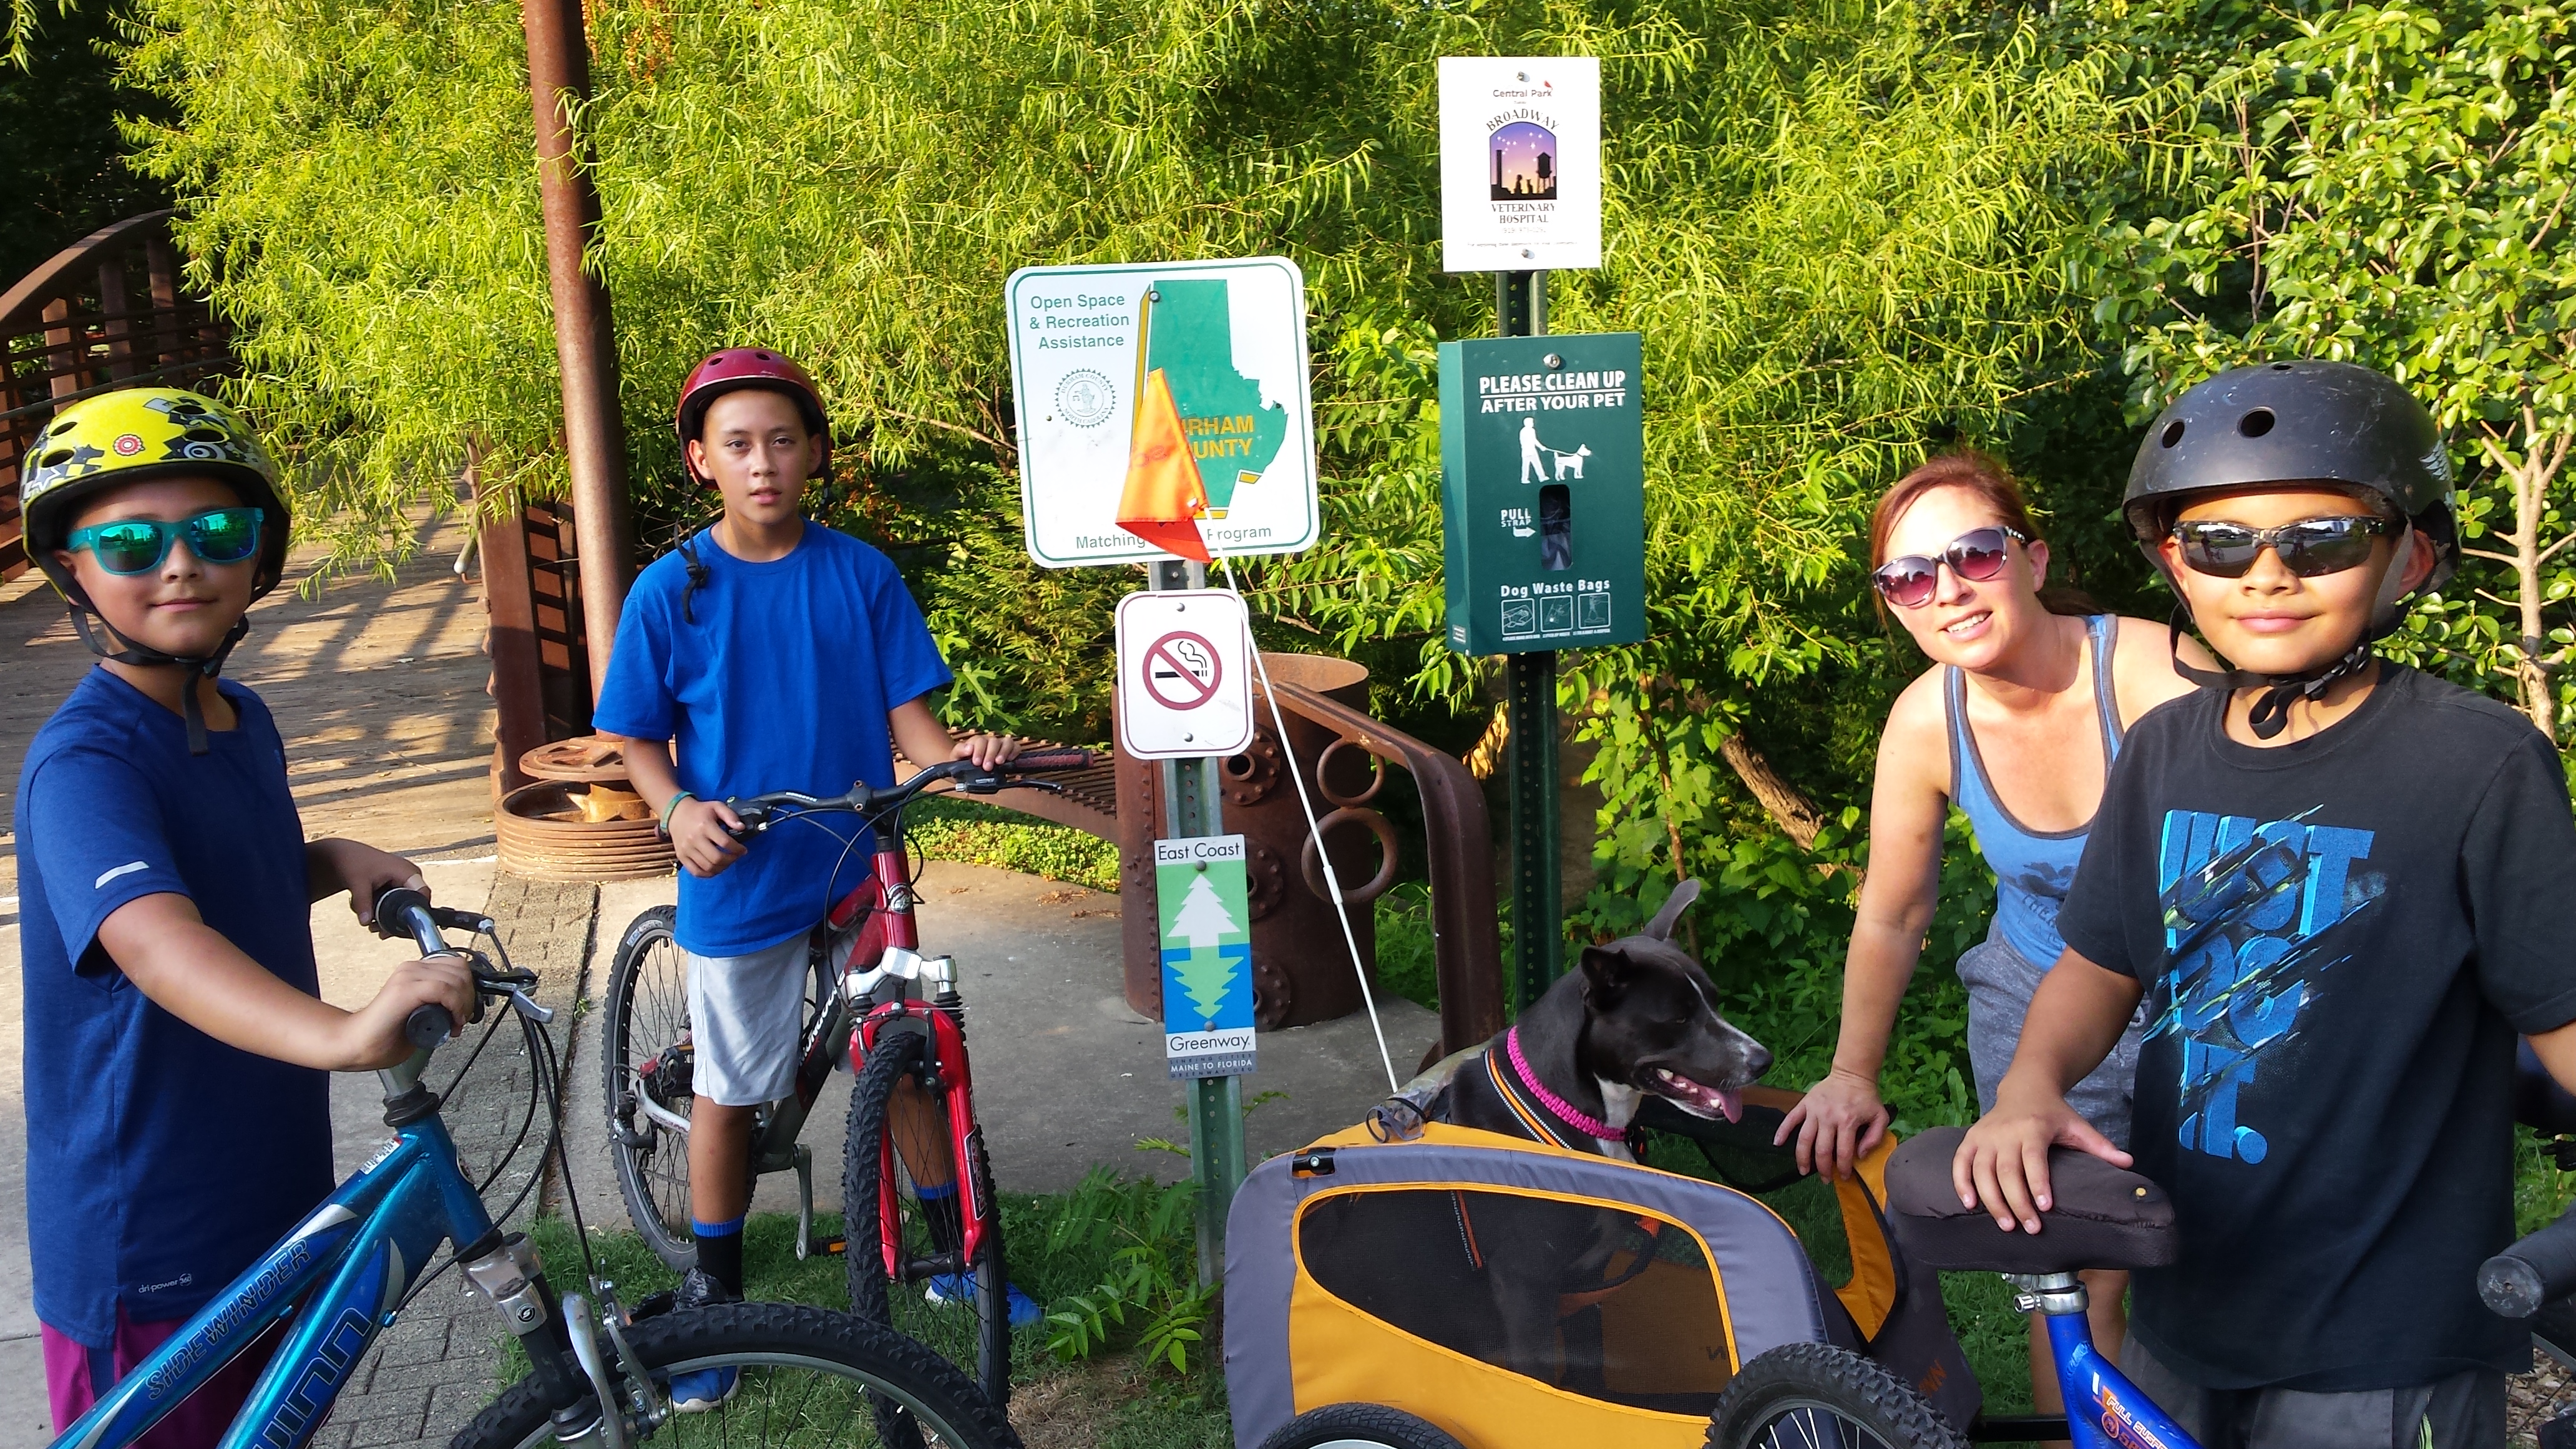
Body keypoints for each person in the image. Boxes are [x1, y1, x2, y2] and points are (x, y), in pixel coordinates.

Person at [1951, 361, 2576, 1448]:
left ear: (2409, 555)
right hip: (2187, 1296)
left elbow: (2559, 1008)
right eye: (2221, 543)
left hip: (2383, 1333)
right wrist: (2030, 1087)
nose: (2268, 574)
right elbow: (2098, 966)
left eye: (2323, 540)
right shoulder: (2162, 751)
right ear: (2175, 563)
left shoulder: (2479, 764)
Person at [12, 388, 478, 1444]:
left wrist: (331, 859)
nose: (180, 564)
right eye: (130, 543)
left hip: (266, 1185)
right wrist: (346, 1034)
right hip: (152, 1233)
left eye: (217, 532)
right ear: (72, 569)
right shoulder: (85, 764)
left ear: (259, 552)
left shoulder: (241, 717)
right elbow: (156, 941)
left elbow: (219, 873)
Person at [591, 348, 1023, 1410]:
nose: (763, 462)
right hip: (741, 870)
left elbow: (916, 729)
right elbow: (635, 736)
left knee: (906, 1055)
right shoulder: (671, 589)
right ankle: (716, 1297)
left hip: (860, 859)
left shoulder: (859, 574)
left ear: (815, 452)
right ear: (702, 460)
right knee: (732, 1089)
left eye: (783, 440)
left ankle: (950, 1254)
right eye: (738, 443)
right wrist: (676, 809)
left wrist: (962, 758)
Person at [1773, 452, 2206, 1412]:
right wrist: (1850, 1072)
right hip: (2038, 998)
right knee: (2078, 1277)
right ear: (1894, 604)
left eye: (1974, 554)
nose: (1948, 589)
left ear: (2033, 560)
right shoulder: (1927, 723)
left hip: (2198, 996)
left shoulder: (2152, 675)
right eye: (1909, 576)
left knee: (2227, 1260)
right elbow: (1895, 909)